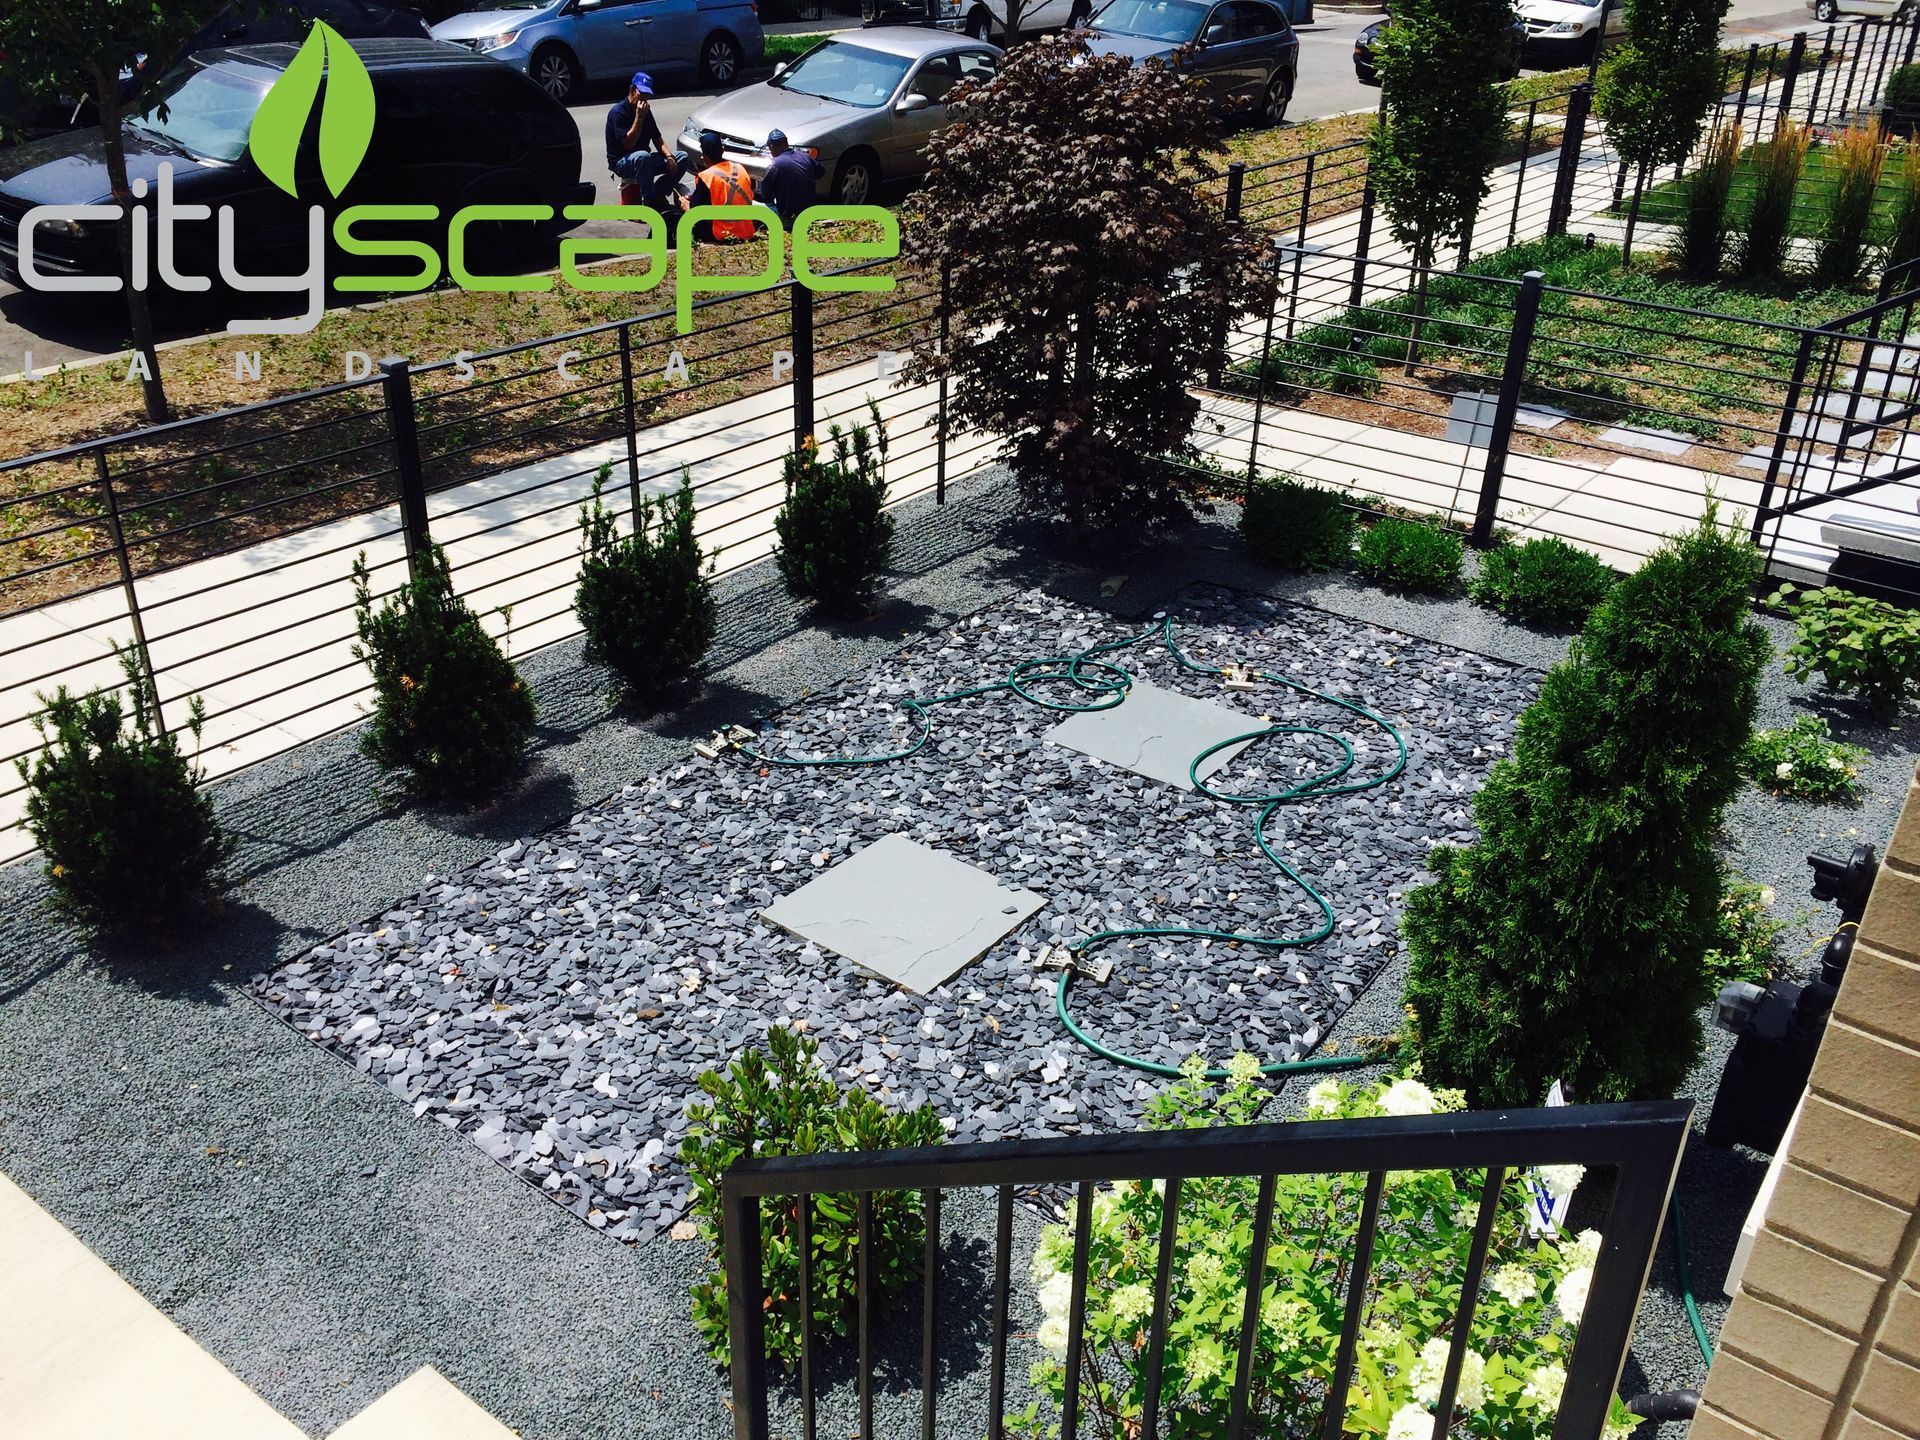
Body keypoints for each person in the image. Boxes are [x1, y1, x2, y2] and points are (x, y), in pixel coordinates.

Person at [605, 72, 674, 208]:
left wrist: (670, 157)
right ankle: (650, 203)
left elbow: (658, 139)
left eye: (647, 95)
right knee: (642, 156)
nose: (645, 99)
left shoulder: (646, 111)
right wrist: (639, 119)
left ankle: (659, 191)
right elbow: (628, 144)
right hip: (621, 162)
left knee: (682, 158)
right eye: (642, 94)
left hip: (644, 161)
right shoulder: (618, 112)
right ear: (632, 90)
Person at [676, 130, 757, 243]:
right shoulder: (739, 168)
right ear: (722, 150)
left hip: (722, 234)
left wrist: (685, 206)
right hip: (746, 230)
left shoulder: (707, 177)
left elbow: (694, 215)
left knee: (682, 199)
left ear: (704, 156)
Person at [759, 129, 821, 227]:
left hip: (791, 219)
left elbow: (765, 194)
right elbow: (820, 173)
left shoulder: (775, 165)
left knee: (754, 205)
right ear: (786, 142)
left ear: (771, 147)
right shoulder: (805, 157)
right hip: (810, 215)